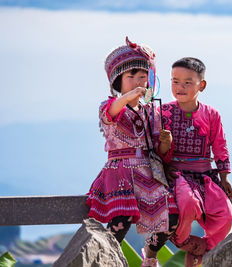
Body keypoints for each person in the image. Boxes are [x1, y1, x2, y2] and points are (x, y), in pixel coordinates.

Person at [86, 37, 178, 267]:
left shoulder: (152, 111)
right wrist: (131, 95)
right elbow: (112, 111)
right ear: (117, 80)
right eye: (131, 76)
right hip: (120, 173)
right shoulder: (109, 106)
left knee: (171, 216)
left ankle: (150, 252)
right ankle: (107, 262)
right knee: (119, 222)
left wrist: (166, 143)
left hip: (148, 172)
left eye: (142, 76)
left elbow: (158, 148)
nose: (138, 81)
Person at [161, 57, 232, 266]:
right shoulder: (162, 112)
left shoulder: (212, 115)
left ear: (201, 85)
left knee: (226, 213)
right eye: (175, 81)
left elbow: (220, 146)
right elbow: (155, 150)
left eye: (187, 82)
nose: (180, 87)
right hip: (176, 175)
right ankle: (183, 241)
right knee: (187, 203)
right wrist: (164, 146)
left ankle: (204, 247)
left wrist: (224, 177)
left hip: (205, 176)